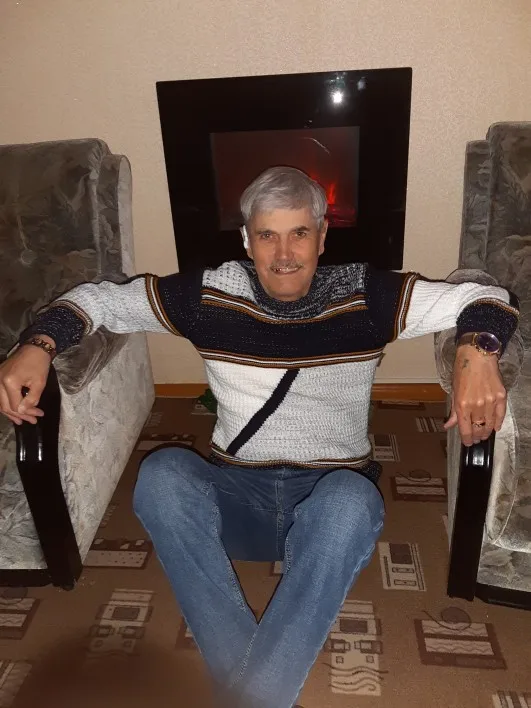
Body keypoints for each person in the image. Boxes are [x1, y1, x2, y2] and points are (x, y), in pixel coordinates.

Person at [0, 167, 519, 708]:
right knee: (162, 475)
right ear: (247, 240)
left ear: (322, 236)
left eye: (299, 233)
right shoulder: (208, 295)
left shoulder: (366, 295)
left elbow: (487, 296)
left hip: (325, 516)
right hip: (234, 505)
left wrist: (477, 354)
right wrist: (38, 345)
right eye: (267, 235)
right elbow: (101, 300)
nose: (284, 254)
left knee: (351, 500)